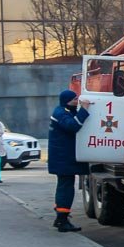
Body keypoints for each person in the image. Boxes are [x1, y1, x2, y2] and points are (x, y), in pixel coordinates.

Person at [48, 89, 90, 232]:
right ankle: (62, 220)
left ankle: (61, 217)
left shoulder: (63, 111)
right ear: (67, 101)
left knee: (64, 186)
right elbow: (73, 126)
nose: (76, 101)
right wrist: (84, 110)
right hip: (63, 158)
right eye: (74, 99)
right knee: (66, 188)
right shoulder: (61, 113)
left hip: (63, 158)